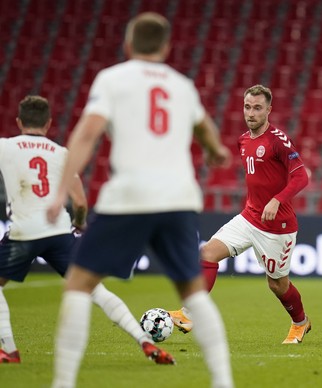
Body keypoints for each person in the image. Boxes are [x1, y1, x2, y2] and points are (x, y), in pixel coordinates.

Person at [46, 13, 233, 388]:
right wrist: (215, 150)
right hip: (179, 199)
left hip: (129, 197)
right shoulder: (182, 85)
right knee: (193, 293)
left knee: (79, 284)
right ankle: (223, 381)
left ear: (128, 46)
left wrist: (59, 190)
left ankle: (63, 382)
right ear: (166, 48)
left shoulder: (113, 79)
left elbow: (87, 134)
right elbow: (205, 127)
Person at [0, 96, 169, 364]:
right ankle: (144, 341)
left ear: (19, 121)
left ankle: (9, 349)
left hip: (24, 231)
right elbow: (79, 202)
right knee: (96, 290)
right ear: (49, 123)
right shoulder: (61, 153)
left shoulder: (5, 147)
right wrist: (78, 223)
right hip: (59, 231)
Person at [168, 84, 311, 344]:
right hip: (249, 217)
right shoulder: (243, 140)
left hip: (277, 226)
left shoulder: (278, 140)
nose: (251, 113)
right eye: (247, 107)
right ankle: (190, 314)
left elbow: (302, 176)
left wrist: (277, 200)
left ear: (269, 110)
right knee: (207, 253)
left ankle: (301, 323)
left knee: (277, 284)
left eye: (257, 108)